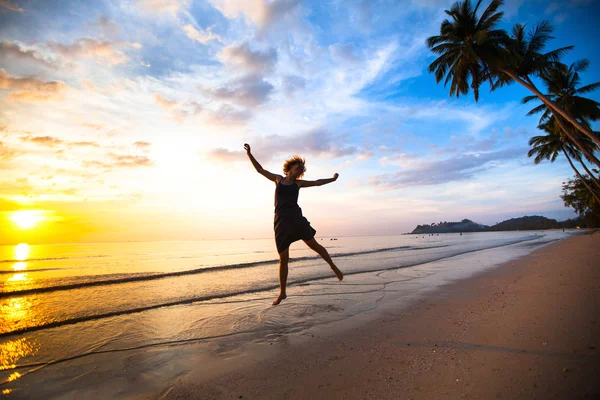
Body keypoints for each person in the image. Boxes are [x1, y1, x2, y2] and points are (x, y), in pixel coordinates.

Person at [244, 143, 344, 305]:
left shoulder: (299, 184)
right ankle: (282, 292)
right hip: (281, 223)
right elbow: (260, 170)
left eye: (303, 168)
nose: (301, 169)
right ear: (290, 167)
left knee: (315, 246)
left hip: (297, 220)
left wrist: (332, 180)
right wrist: (250, 154)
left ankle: (333, 267)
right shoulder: (278, 179)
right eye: (299, 166)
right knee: (283, 259)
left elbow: (317, 182)